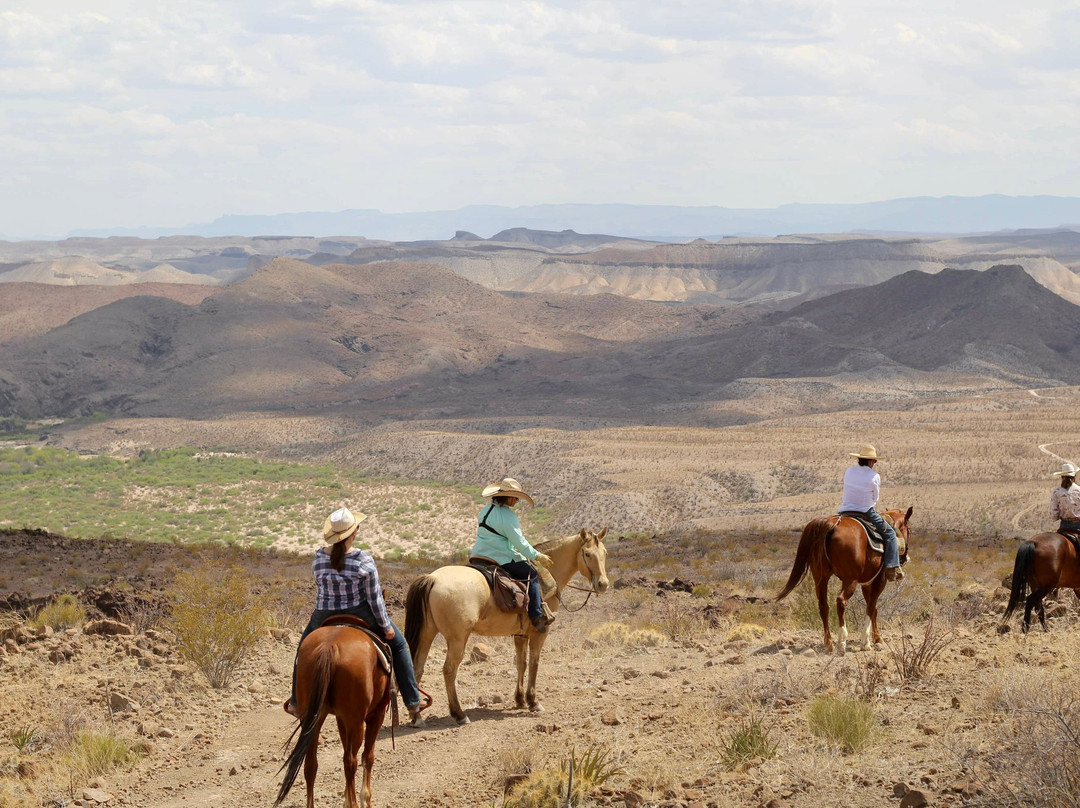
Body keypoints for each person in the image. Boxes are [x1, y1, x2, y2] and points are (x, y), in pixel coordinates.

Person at [285, 507, 426, 727]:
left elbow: (320, 586)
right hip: (358, 612)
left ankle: (296, 701)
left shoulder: (319, 557)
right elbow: (374, 600)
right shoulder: (364, 561)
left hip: (323, 613)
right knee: (399, 646)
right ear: (354, 532)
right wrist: (386, 625)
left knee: (302, 650)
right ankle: (413, 702)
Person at [470, 477, 554, 632]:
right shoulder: (508, 516)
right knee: (532, 574)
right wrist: (537, 556)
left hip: (477, 555)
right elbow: (519, 543)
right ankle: (536, 616)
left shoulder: (484, 511)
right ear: (508, 497)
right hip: (500, 557)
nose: (516, 501)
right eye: (515, 497)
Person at [839, 444, 903, 582]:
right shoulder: (874, 476)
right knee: (891, 534)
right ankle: (891, 568)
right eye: (874, 460)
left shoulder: (849, 471)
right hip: (865, 511)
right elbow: (875, 498)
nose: (874, 463)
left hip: (845, 511)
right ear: (870, 461)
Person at [1050, 462, 1080, 535]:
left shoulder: (1056, 491)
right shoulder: (1079, 490)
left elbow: (1054, 513)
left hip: (1064, 525)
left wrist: (1056, 517)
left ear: (1062, 477)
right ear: (1074, 477)